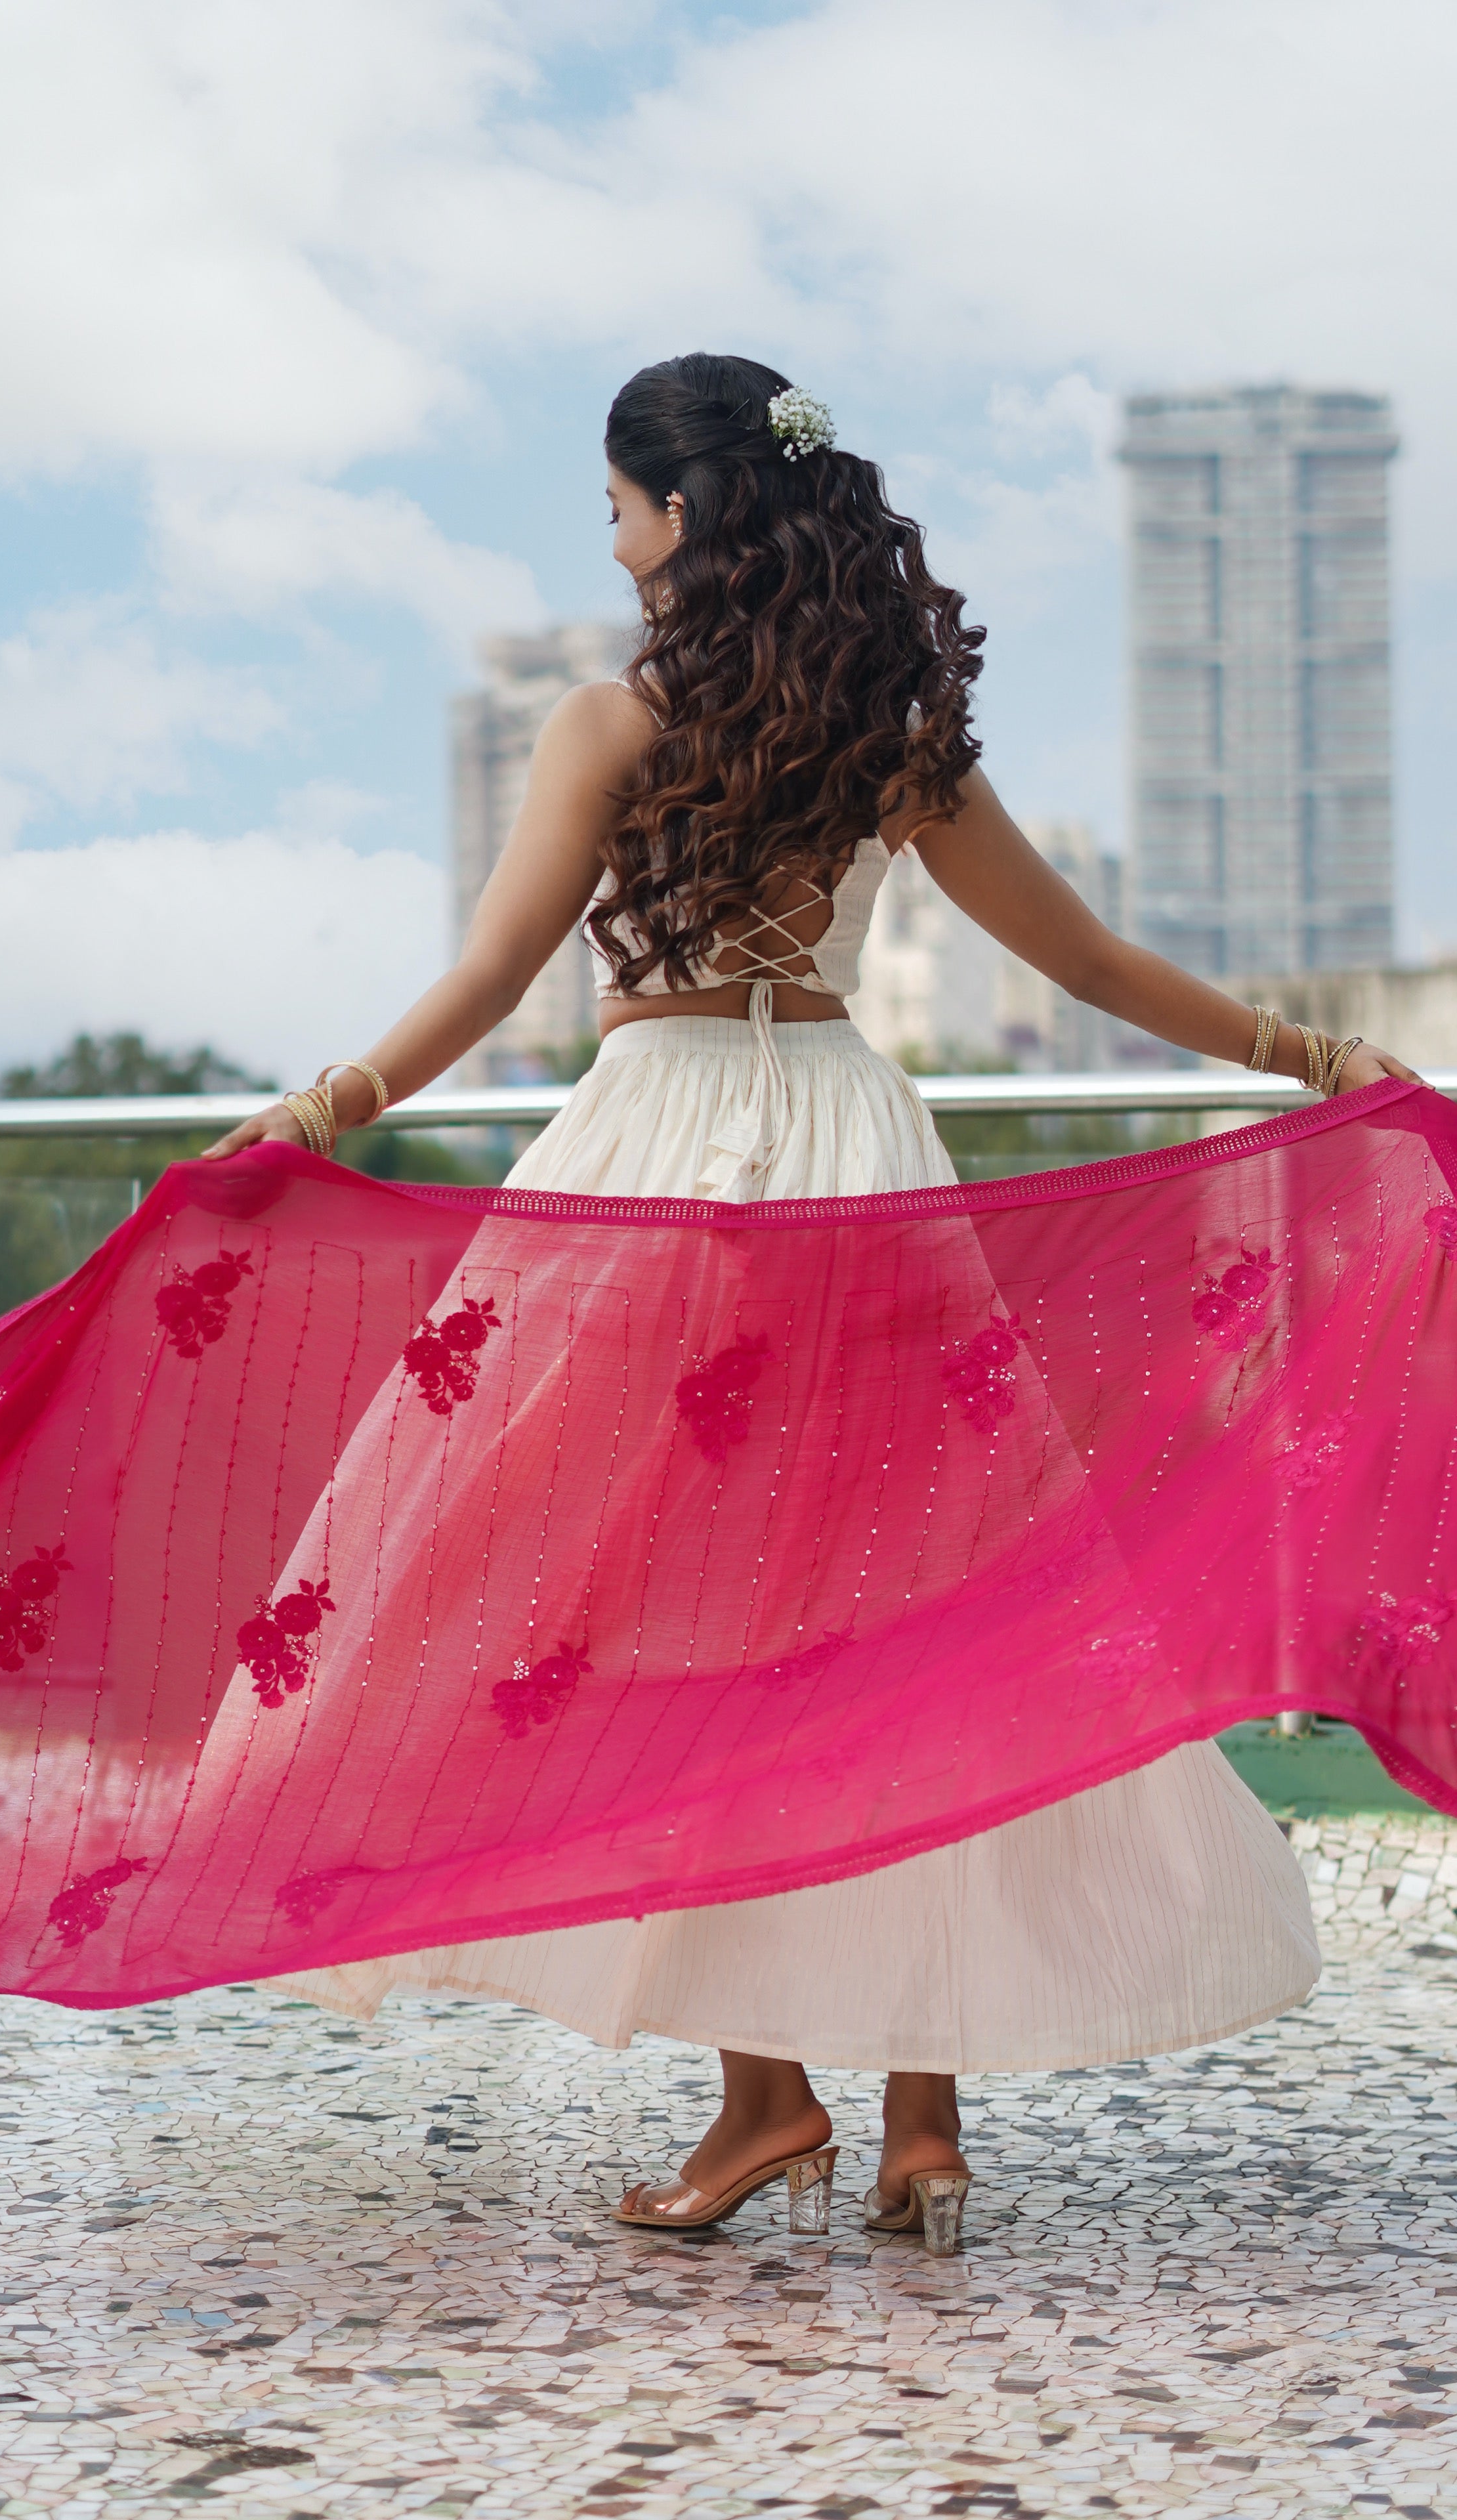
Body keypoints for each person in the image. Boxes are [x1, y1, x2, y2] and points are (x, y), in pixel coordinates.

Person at [205, 352, 1418, 2249]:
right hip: (859, 1163)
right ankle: (918, 2120)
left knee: (674, 1635)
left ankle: (767, 2100)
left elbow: (488, 976)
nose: (612, 548)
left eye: (616, 511)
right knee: (914, 1627)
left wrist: (319, 1111)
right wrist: (1308, 1052)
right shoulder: (890, 727)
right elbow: (1087, 956)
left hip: (665, 1168)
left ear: (684, 515)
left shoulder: (610, 727)